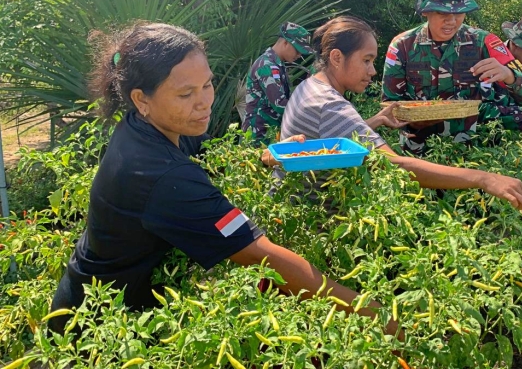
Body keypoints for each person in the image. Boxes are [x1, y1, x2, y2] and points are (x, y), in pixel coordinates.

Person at [48, 23, 399, 336]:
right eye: (186, 94)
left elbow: (212, 161)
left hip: (110, 299)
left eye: (208, 85)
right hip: (92, 331)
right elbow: (262, 255)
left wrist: (265, 154)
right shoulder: (160, 173)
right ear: (142, 99)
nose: (204, 103)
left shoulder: (159, 127)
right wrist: (380, 317)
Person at [281, 16, 522, 212]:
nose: (372, 71)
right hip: (310, 217)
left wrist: (374, 121)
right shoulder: (330, 105)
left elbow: (331, 141)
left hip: (296, 206)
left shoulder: (311, 87)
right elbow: (395, 165)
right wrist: (484, 179)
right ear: (337, 57)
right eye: (366, 60)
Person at [382, 0, 522, 155]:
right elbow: (389, 106)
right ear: (426, 11)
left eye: (459, 13)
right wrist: (412, 120)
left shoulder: (485, 42)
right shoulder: (402, 45)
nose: (451, 21)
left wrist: (510, 76)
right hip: (417, 153)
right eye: (442, 13)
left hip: (472, 153)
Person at [242, 22, 313, 144]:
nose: (299, 55)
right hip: (257, 135)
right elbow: (279, 104)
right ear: (285, 42)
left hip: (269, 133)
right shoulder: (266, 66)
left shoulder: (277, 65)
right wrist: (310, 114)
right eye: (297, 50)